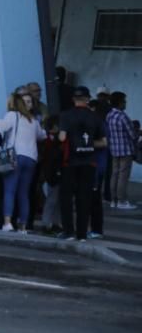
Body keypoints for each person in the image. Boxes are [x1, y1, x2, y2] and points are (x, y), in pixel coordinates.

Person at [0, 87, 45, 232]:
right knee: (24, 193)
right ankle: (23, 226)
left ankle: (7, 223)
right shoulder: (34, 121)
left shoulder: (13, 116)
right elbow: (42, 135)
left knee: (9, 190)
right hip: (31, 159)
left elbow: (1, 125)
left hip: (15, 156)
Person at [58, 86, 107, 241]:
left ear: (74, 99)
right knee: (84, 199)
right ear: (87, 99)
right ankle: (82, 234)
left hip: (69, 162)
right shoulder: (96, 117)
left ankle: (68, 232)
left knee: (66, 197)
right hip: (89, 162)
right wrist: (88, 144)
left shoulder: (66, 115)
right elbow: (104, 142)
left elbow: (62, 138)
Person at [105, 92, 136, 210]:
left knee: (115, 174)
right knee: (123, 176)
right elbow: (132, 134)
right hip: (126, 150)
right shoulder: (123, 116)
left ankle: (114, 200)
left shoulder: (109, 115)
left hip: (114, 149)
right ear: (119, 102)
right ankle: (122, 200)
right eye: (124, 101)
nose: (125, 103)